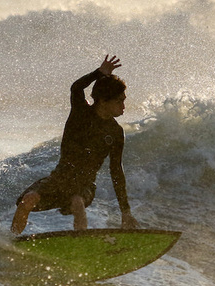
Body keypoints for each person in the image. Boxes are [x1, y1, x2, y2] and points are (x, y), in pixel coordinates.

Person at [11, 55, 139, 235]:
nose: (124, 106)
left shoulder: (115, 132)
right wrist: (99, 73)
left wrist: (125, 211)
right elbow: (76, 87)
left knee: (77, 202)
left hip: (84, 186)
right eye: (119, 101)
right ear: (103, 101)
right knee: (27, 201)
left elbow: (116, 171)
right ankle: (11, 242)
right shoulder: (81, 112)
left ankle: (80, 242)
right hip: (58, 180)